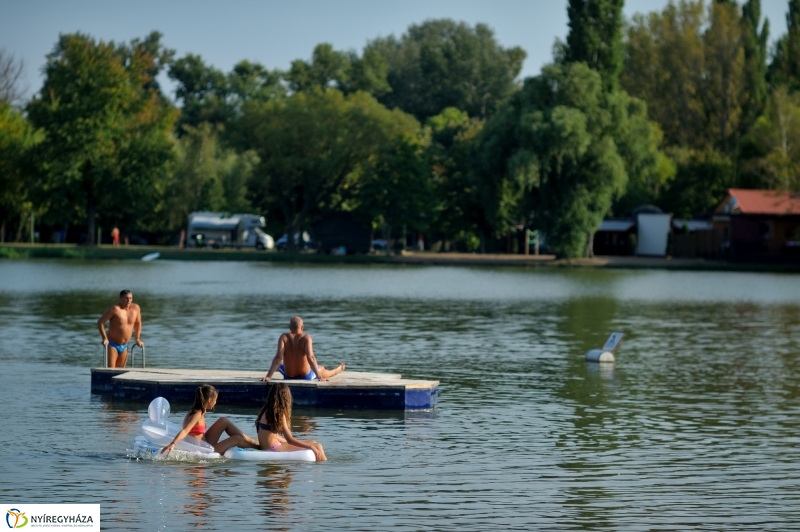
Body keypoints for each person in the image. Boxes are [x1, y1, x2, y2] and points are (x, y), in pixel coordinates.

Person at [161, 384, 260, 455]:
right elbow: (185, 430)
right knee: (237, 439)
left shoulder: (195, 410)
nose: (215, 402)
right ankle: (259, 447)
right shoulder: (197, 414)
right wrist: (172, 444)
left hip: (205, 443)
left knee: (223, 420)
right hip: (204, 449)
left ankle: (254, 442)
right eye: (215, 399)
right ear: (209, 400)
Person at [255, 383, 326, 461]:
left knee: (312, 441)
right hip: (274, 448)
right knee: (317, 446)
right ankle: (324, 467)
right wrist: (310, 447)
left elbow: (274, 436)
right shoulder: (279, 414)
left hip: (268, 447)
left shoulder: (265, 412)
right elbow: (290, 440)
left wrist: (303, 444)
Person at [261, 316, 345, 382]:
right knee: (321, 368)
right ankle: (336, 371)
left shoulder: (283, 337)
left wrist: (268, 376)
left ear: (289, 327)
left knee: (279, 363)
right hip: (306, 376)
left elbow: (278, 357)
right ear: (302, 327)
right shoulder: (306, 338)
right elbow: (311, 357)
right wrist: (319, 376)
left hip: (288, 376)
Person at [97, 289, 143, 368]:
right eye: (126, 298)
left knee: (120, 372)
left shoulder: (136, 308)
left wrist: (137, 338)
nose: (129, 301)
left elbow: (138, 323)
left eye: (130, 298)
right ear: (120, 299)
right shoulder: (115, 309)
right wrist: (104, 338)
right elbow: (100, 322)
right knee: (111, 371)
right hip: (112, 344)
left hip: (125, 345)